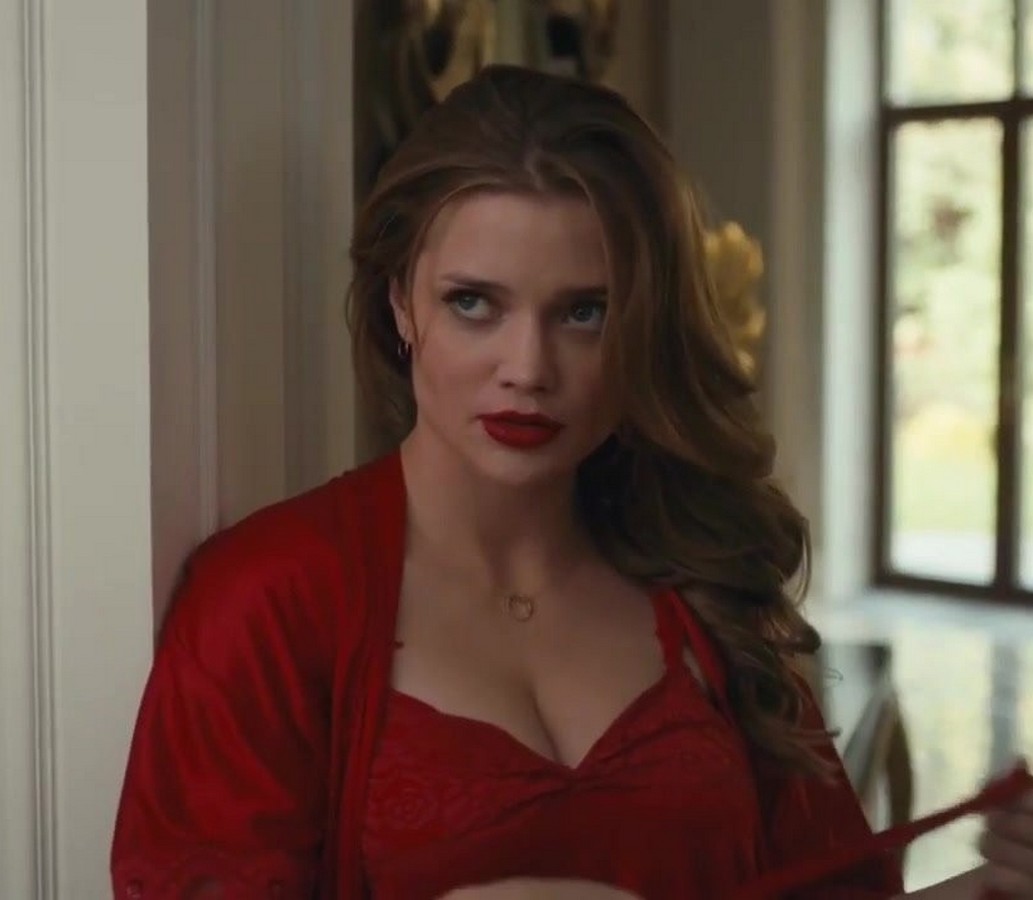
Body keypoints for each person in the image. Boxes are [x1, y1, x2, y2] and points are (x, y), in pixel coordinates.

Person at [111, 65, 1033, 899]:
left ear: (641, 327)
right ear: (399, 305)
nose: (528, 367)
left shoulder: (703, 587)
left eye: (584, 312)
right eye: (473, 303)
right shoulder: (264, 601)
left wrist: (997, 888)